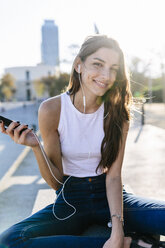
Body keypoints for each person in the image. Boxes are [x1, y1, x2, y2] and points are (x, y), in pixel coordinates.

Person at [0, 34, 165, 248]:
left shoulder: (117, 113)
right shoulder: (52, 109)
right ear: (79, 65)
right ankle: (134, 245)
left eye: (113, 68)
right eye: (98, 64)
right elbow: (57, 182)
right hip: (70, 199)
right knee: (9, 241)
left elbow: (114, 176)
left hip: (110, 195)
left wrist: (117, 231)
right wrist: (35, 147)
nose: (106, 76)